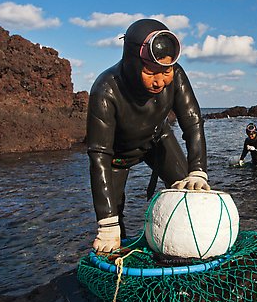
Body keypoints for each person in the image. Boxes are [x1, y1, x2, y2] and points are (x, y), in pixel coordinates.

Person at [86, 18, 210, 254]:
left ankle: (181, 254)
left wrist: (198, 170)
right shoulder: (106, 89)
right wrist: (106, 222)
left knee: (190, 195)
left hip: (157, 140)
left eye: (166, 71)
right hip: (117, 157)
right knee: (113, 229)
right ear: (132, 62)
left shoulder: (176, 75)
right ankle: (119, 266)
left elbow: (192, 122)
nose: (160, 80)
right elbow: (99, 154)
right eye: (150, 71)